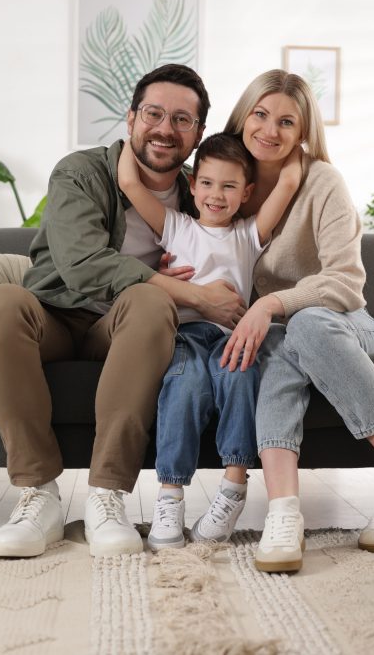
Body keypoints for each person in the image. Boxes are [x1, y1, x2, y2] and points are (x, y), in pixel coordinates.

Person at [0, 64, 247, 559]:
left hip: (126, 326)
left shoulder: (201, 190)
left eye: (182, 120)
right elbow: (81, 265)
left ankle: (107, 495)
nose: (165, 128)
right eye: (154, 113)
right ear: (131, 118)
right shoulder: (81, 172)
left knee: (147, 299)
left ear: (198, 133)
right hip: (54, 314)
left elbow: (236, 246)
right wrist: (193, 294)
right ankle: (39, 495)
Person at [220, 69, 374, 573]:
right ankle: (283, 512)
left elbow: (345, 282)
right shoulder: (227, 182)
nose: (269, 130)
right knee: (280, 344)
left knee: (307, 325)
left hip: (346, 326)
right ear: (243, 116)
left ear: (303, 133)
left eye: (286, 121)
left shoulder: (323, 181)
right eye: (260, 114)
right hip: (283, 336)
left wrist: (270, 304)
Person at [116, 133, 300, 550]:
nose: (217, 195)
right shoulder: (176, 227)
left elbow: (288, 183)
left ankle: (233, 490)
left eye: (230, 186)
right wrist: (132, 134)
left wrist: (295, 144)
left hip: (230, 338)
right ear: (193, 184)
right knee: (182, 389)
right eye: (208, 183)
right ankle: (169, 497)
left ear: (247, 192)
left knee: (240, 380)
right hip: (183, 336)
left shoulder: (249, 234)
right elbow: (130, 183)